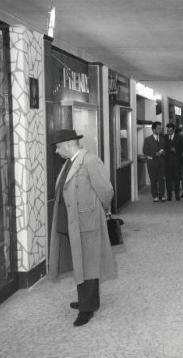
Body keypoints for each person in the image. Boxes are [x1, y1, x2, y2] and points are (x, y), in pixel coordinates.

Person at [48, 129, 117, 326]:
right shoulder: (69, 163)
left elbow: (106, 191)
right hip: (71, 221)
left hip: (86, 223)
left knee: (88, 264)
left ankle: (87, 309)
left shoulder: (90, 161)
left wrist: (100, 211)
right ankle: (87, 300)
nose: (56, 151)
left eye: (58, 147)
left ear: (69, 144)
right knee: (80, 262)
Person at [143, 122, 166, 202]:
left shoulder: (163, 138)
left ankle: (162, 195)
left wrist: (163, 152)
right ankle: (155, 196)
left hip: (161, 162)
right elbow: (145, 151)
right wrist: (155, 154)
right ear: (153, 129)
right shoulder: (147, 140)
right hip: (152, 163)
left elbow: (166, 149)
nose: (160, 129)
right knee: (153, 180)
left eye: (161, 128)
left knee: (161, 180)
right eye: (158, 128)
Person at [164, 123, 180, 201]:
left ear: (173, 130)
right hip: (167, 163)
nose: (168, 132)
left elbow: (182, 149)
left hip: (176, 163)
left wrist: (176, 150)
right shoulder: (164, 137)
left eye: (170, 130)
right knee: (168, 180)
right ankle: (169, 196)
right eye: (167, 130)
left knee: (177, 179)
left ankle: (177, 195)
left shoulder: (179, 137)